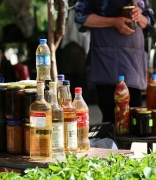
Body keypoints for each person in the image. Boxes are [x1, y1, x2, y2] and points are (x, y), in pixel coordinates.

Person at [74, 0, 155, 125]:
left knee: (134, 116)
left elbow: (150, 21)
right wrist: (113, 22)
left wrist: (139, 17)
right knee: (111, 117)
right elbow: (80, 17)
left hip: (134, 62)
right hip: (107, 61)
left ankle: (124, 145)